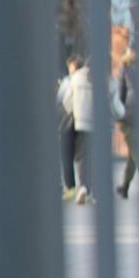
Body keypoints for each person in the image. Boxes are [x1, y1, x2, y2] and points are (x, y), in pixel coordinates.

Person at [57, 56, 97, 203]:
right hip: (92, 122)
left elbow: (65, 100)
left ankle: (75, 188)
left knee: (70, 155)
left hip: (75, 120)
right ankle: (86, 187)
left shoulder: (73, 79)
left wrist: (73, 110)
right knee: (86, 156)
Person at [115, 48, 139, 199]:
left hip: (129, 116)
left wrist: (119, 114)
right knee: (133, 153)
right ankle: (125, 186)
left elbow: (121, 93)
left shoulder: (125, 70)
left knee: (137, 153)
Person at [58, 55, 80, 200]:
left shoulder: (69, 81)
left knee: (67, 155)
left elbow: (61, 99)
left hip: (69, 120)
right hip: (85, 121)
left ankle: (70, 187)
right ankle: (85, 186)